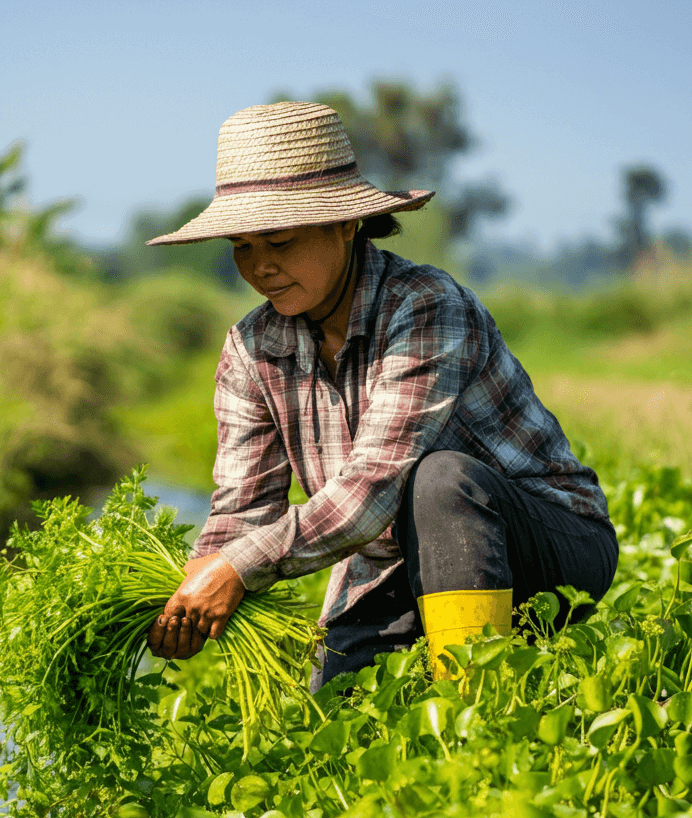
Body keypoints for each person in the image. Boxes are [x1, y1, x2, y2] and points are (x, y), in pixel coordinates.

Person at [146, 101, 618, 686]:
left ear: (345, 223)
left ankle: (478, 716)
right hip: (393, 562)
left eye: (280, 240)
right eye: (242, 246)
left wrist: (239, 569)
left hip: (545, 546)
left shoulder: (425, 306)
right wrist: (196, 585)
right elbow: (242, 508)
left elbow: (372, 489)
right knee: (330, 722)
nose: (260, 266)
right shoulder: (251, 348)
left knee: (442, 479)